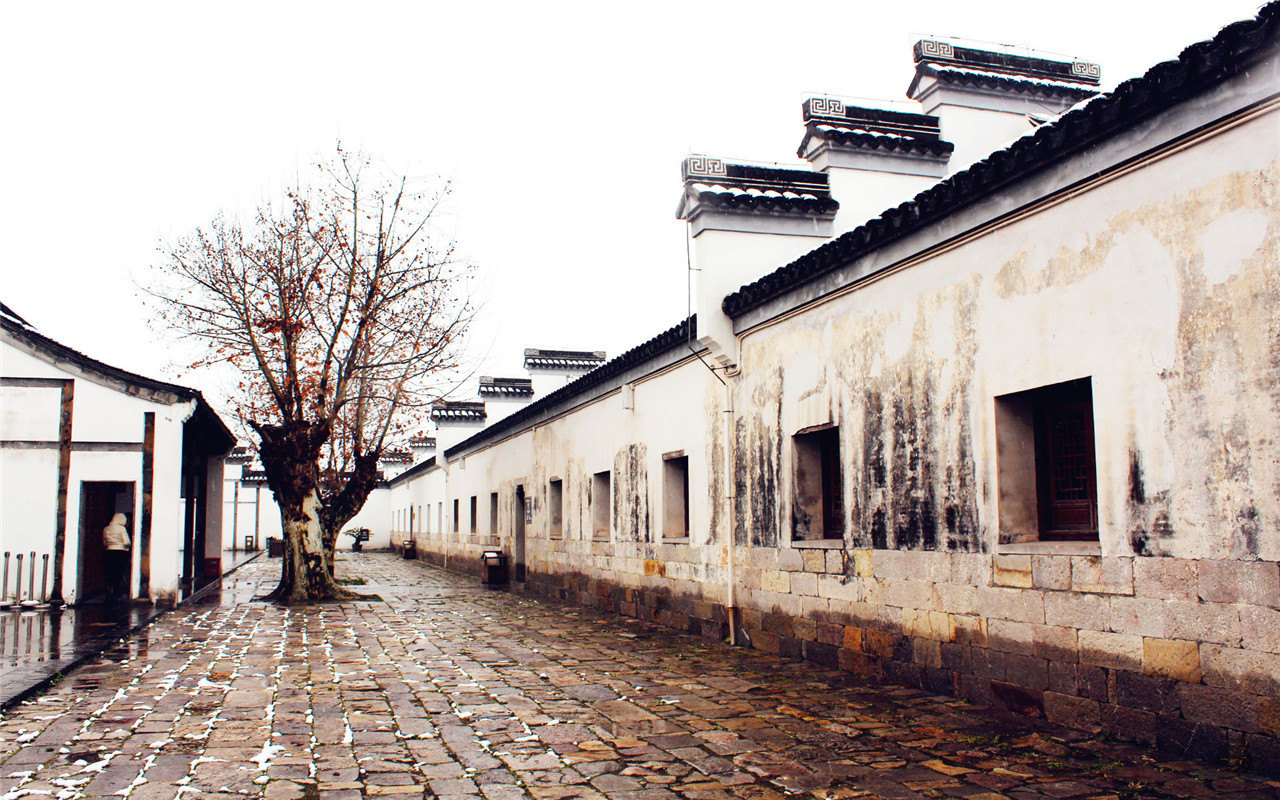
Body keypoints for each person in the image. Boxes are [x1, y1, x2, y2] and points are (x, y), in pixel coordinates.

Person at [102, 513, 131, 602]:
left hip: (109, 551)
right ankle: (117, 592)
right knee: (119, 572)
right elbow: (126, 542)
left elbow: (105, 542)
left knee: (111, 571)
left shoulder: (106, 528)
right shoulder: (122, 529)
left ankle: (109, 591)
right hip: (121, 552)